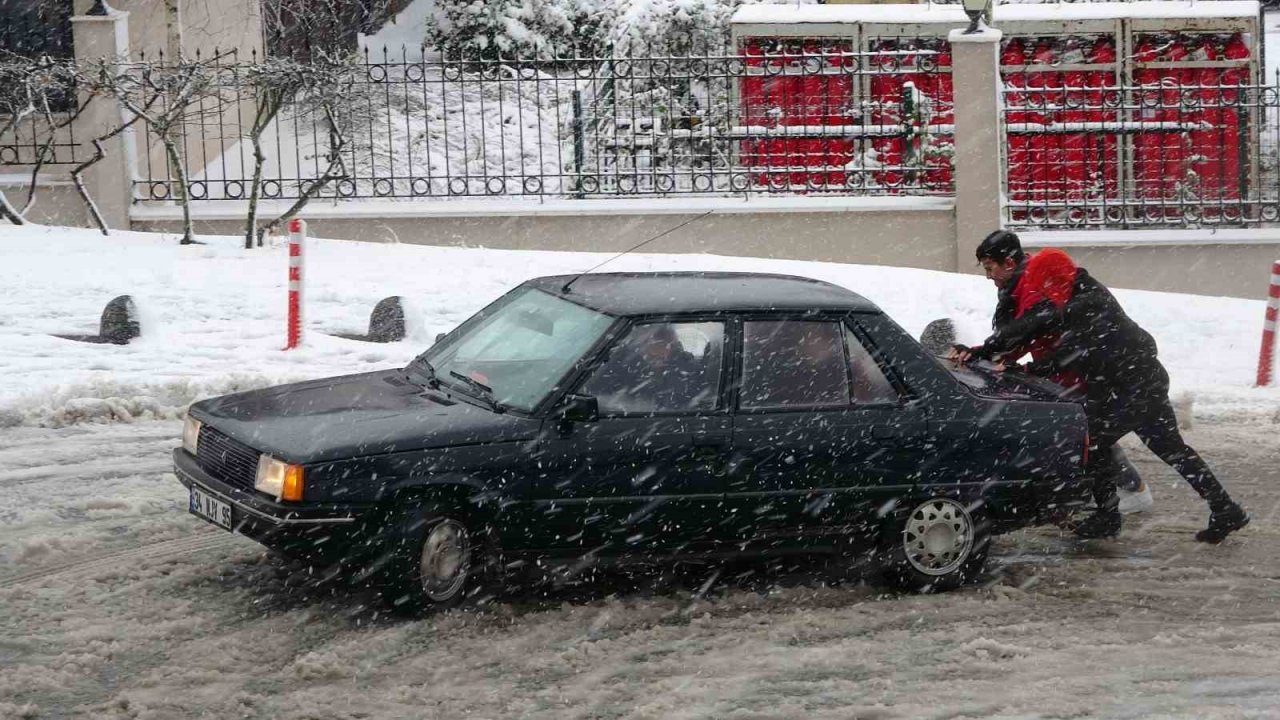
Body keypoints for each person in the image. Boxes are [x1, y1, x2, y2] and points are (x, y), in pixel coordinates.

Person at [971, 246, 1250, 543]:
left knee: (1090, 441)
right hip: (1137, 382)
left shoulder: (1086, 302)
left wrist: (1030, 369)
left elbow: (1072, 351)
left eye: (1044, 287)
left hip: (1133, 387)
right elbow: (1035, 323)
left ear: (1054, 280)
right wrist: (986, 350)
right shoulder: (1077, 292)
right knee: (1172, 450)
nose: (1044, 294)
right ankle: (1224, 508)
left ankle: (1107, 516)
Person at [950, 231, 1153, 515]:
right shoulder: (1018, 286)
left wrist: (987, 350)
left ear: (1008, 262)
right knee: (1083, 436)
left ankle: (1129, 491)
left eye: (989, 268)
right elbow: (1021, 335)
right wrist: (982, 352)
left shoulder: (1037, 274)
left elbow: (1035, 323)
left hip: (1078, 368)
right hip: (1060, 370)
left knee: (1088, 435)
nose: (988, 276)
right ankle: (1104, 495)